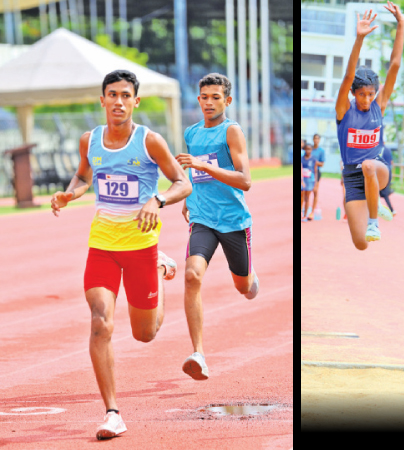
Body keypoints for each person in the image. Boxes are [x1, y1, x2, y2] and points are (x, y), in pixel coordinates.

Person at [50, 70, 192, 439]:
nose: (118, 101)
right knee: (101, 322)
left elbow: (183, 182)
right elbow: (82, 176)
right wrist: (71, 193)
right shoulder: (90, 140)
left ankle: (161, 270)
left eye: (125, 95)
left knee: (145, 334)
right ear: (102, 100)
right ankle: (113, 412)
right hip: (103, 247)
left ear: (135, 101)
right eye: (111, 94)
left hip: (142, 247)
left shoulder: (150, 141)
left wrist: (156, 199)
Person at [175, 73, 259, 381]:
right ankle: (198, 353)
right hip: (202, 219)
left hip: (233, 220)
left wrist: (204, 165)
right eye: (204, 97)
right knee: (191, 274)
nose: (209, 102)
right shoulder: (192, 133)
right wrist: (187, 194)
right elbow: (193, 175)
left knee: (244, 287)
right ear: (198, 99)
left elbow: (245, 180)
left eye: (215, 97)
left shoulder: (231, 131)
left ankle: (250, 279)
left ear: (227, 100)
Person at [335, 2, 403, 250]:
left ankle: (374, 221)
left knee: (368, 165)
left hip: (377, 169)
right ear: (353, 93)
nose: (366, 100)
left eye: (371, 94)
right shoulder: (344, 110)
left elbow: (394, 65)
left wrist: (401, 23)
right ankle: (375, 207)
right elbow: (347, 75)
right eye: (362, 95)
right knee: (361, 244)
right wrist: (359, 39)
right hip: (352, 177)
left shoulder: (378, 105)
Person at [309, 133, 326, 220]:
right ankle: (306, 209)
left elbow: (322, 164)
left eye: (317, 139)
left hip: (316, 172)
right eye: (315, 138)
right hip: (308, 172)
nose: (316, 140)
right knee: (306, 191)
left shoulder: (321, 151)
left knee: (315, 191)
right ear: (312, 139)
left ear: (319, 140)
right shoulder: (309, 149)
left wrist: (314, 162)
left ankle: (312, 211)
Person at [301, 143, 318, 222]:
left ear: (311, 150)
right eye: (306, 149)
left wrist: (315, 184)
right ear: (304, 149)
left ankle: (305, 215)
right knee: (302, 197)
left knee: (307, 198)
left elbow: (315, 171)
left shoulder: (313, 159)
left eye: (309, 149)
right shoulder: (301, 158)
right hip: (302, 180)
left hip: (310, 181)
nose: (308, 151)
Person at [379, 143, 396, 215]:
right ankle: (392, 210)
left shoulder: (378, 149)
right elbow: (392, 162)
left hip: (381, 171)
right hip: (389, 171)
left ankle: (374, 209)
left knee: (375, 190)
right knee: (383, 192)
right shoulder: (388, 149)